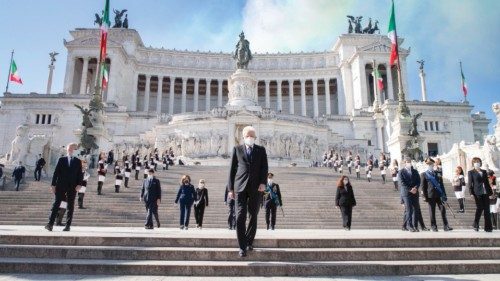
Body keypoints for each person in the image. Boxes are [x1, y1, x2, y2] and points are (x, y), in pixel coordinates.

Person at [227, 125, 269, 257]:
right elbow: (232, 170)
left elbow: (264, 167)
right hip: (240, 187)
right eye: (248, 136)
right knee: (240, 216)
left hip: (256, 187)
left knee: (253, 215)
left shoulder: (261, 150)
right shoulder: (237, 149)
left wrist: (263, 183)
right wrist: (230, 189)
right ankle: (242, 246)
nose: (250, 138)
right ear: (243, 137)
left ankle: (249, 241)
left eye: (252, 136)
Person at [45, 143, 83, 232]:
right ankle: (50, 224)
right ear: (67, 149)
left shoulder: (77, 161)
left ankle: (68, 225)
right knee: (56, 203)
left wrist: (79, 184)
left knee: (70, 205)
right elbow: (56, 172)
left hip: (72, 186)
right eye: (69, 148)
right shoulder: (61, 159)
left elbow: (80, 174)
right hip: (60, 185)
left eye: (72, 148)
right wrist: (53, 185)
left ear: (75, 150)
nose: (70, 150)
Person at [421, 158, 453, 232]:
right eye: (429, 164)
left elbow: (441, 185)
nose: (430, 165)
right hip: (430, 195)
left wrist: (444, 195)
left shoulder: (437, 173)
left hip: (439, 195)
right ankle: (433, 226)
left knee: (443, 210)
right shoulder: (424, 174)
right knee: (432, 212)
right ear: (426, 165)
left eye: (431, 164)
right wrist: (424, 196)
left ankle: (446, 226)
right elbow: (423, 187)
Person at [467, 157, 493, 232]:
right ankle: (475, 224)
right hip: (477, 193)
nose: (477, 163)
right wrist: (471, 192)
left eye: (478, 162)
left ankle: (488, 227)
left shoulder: (484, 171)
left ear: (480, 163)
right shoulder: (471, 172)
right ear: (473, 163)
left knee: (487, 210)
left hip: (485, 192)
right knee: (480, 208)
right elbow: (470, 183)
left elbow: (487, 183)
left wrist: (490, 193)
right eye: (475, 162)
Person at [398, 157, 421, 232]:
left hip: (415, 192)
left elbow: (418, 181)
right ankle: (409, 225)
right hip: (406, 193)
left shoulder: (415, 171)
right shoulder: (401, 172)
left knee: (416, 209)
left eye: (409, 161)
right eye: (407, 162)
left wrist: (416, 188)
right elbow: (402, 183)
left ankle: (414, 225)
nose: (409, 163)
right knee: (409, 209)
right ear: (404, 163)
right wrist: (410, 189)